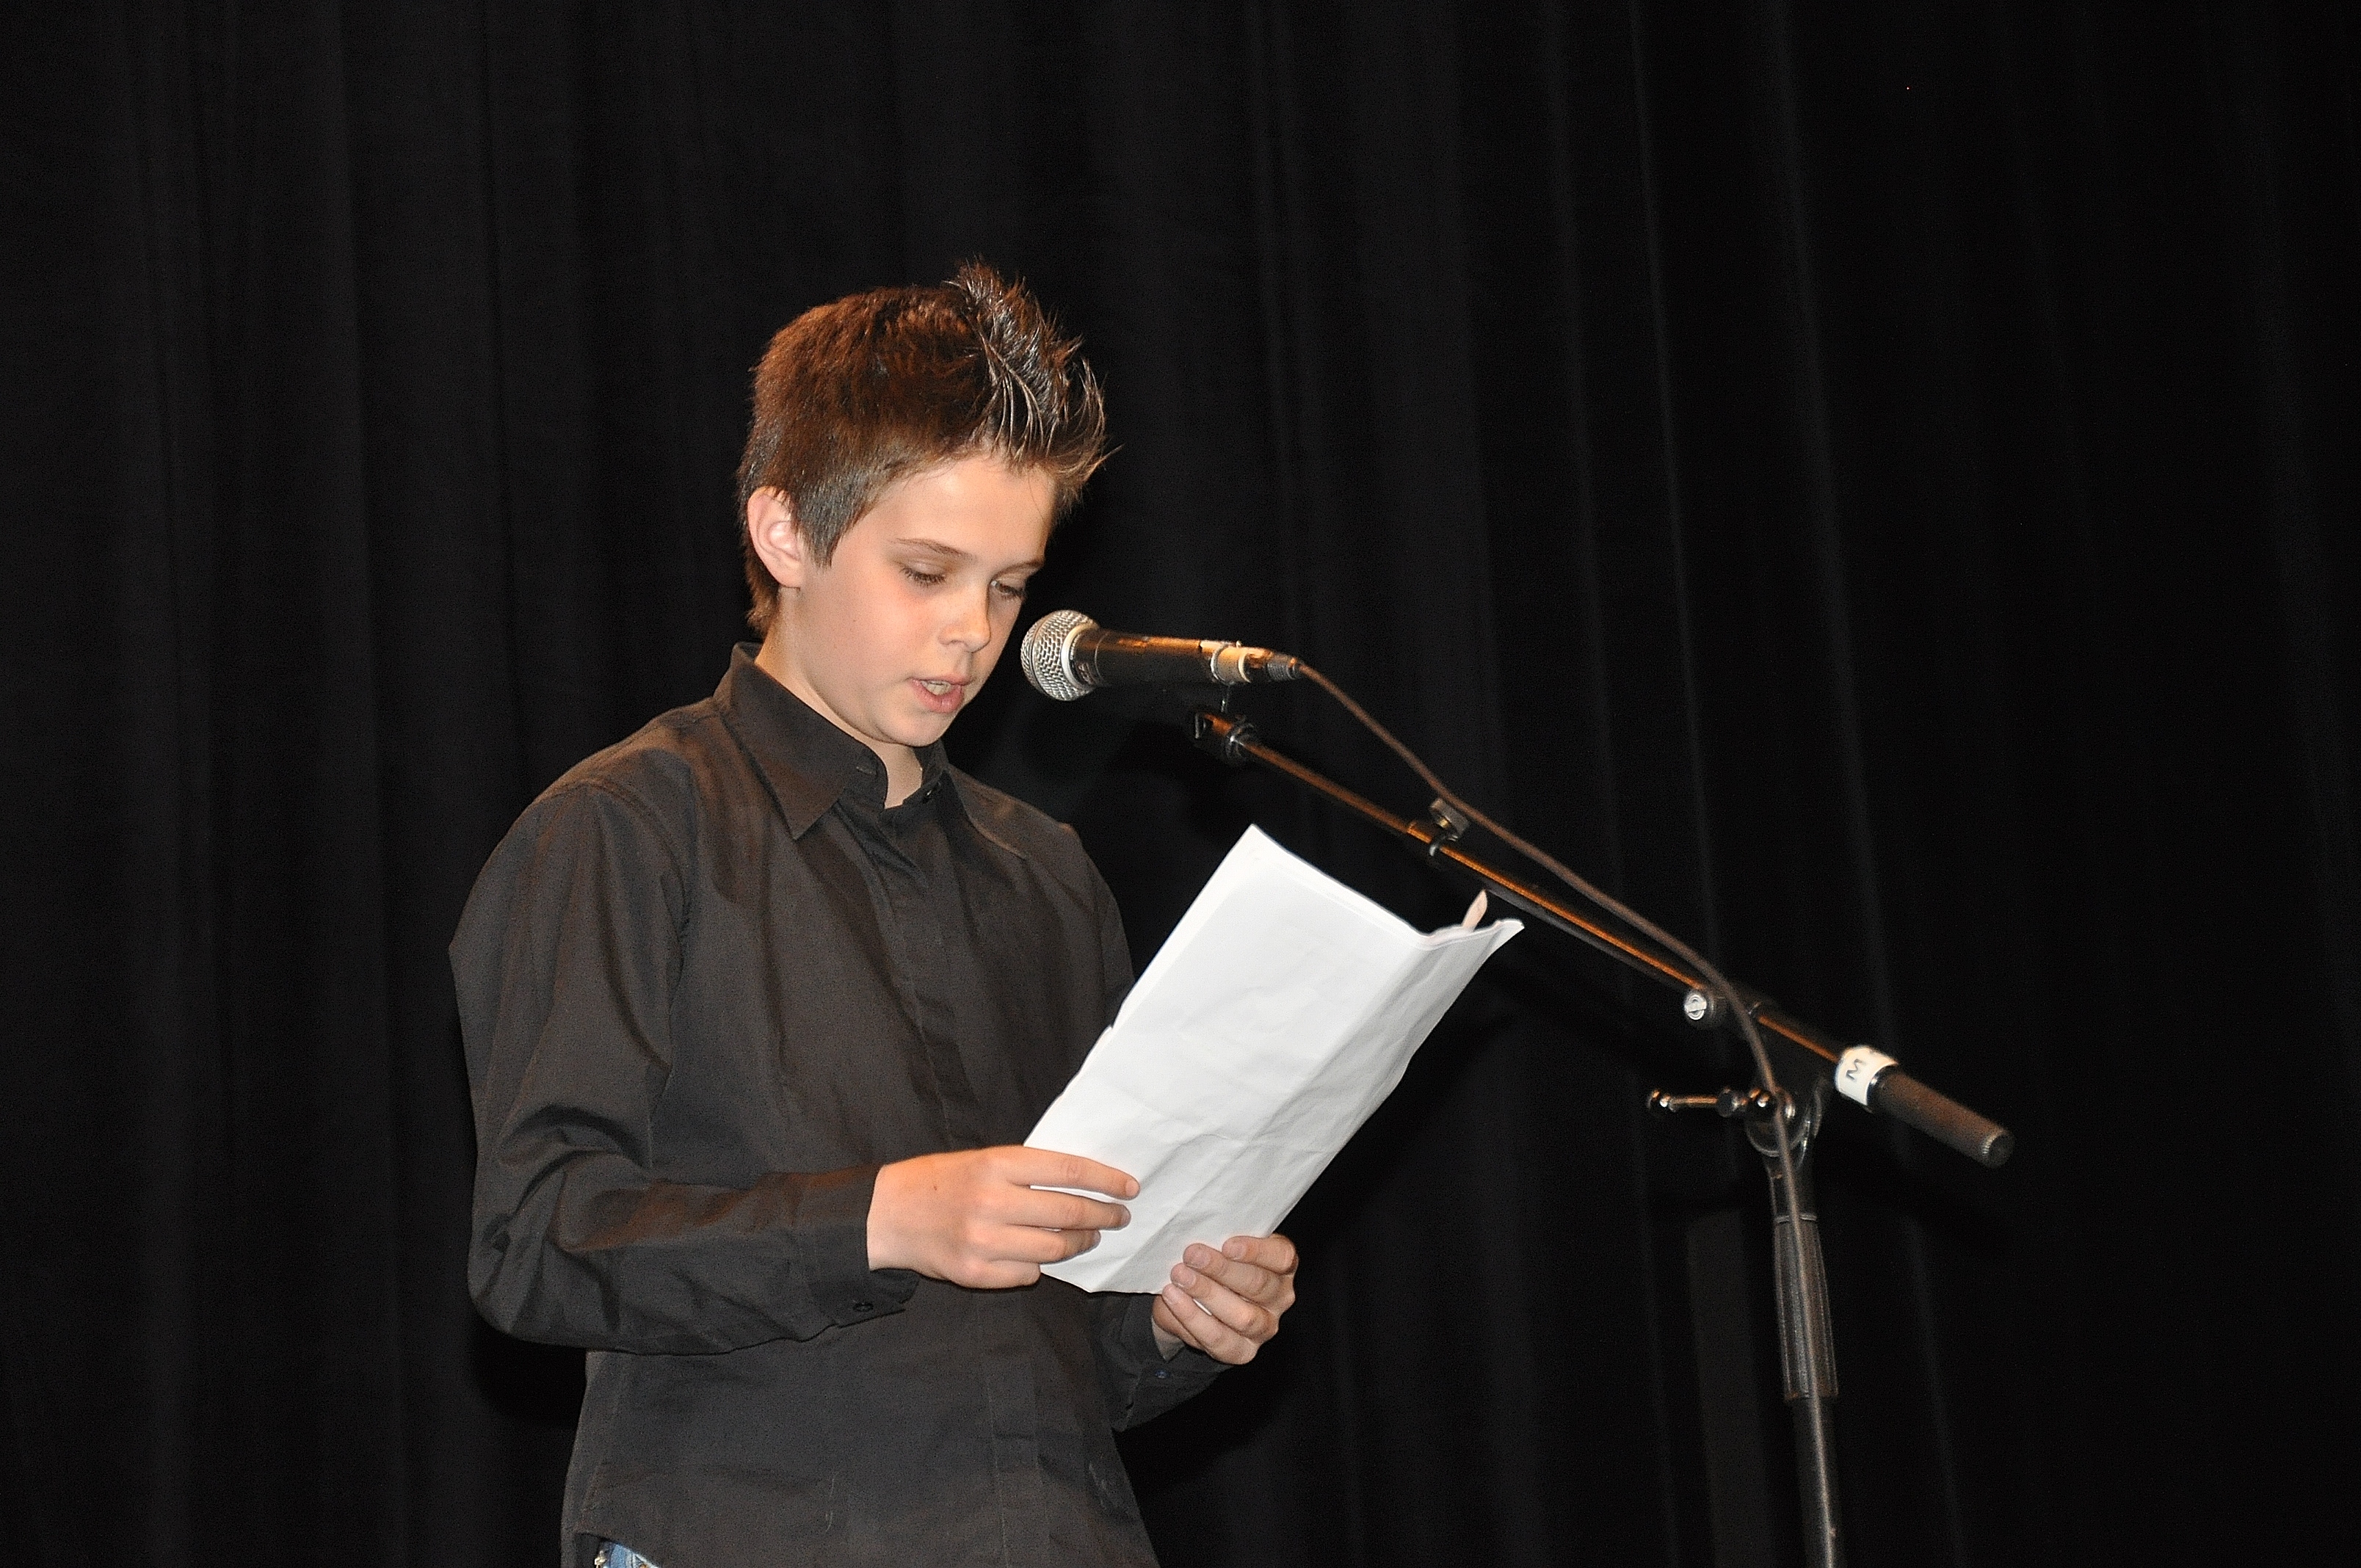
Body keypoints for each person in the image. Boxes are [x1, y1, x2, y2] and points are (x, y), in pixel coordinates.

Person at [452, 263, 1299, 1568]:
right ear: (785, 533)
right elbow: (536, 1244)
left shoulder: (1047, 877)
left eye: (1008, 587)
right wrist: (880, 1221)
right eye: (926, 571)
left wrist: (1176, 1324)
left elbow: (1059, 1350)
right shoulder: (626, 829)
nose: (972, 633)